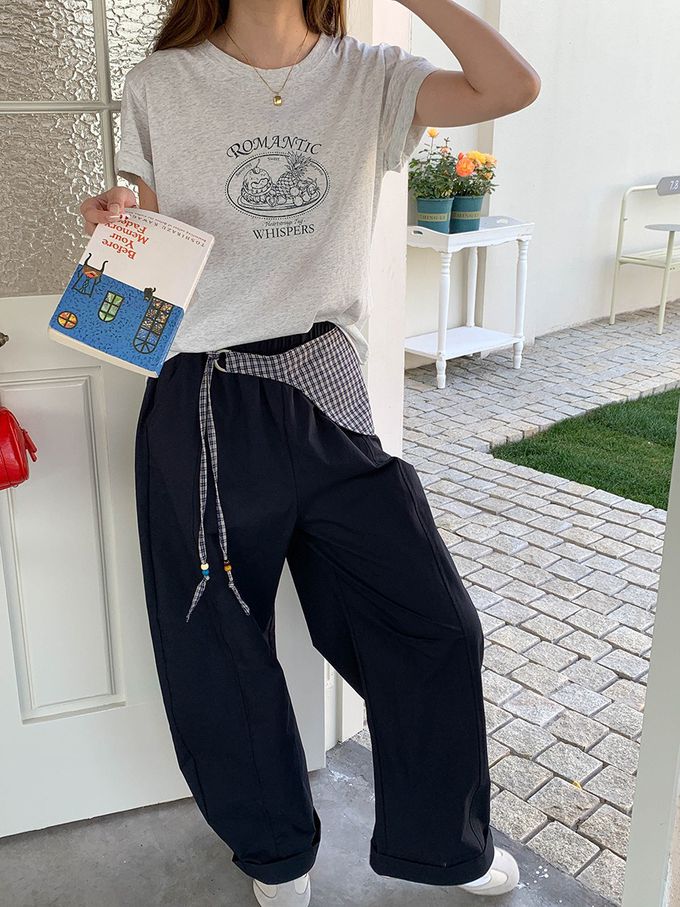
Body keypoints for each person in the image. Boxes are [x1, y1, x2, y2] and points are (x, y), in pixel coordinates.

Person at [80, 1, 540, 903]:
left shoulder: (371, 76)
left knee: (434, 625)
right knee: (218, 644)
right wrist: (117, 222)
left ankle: (446, 843)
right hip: (204, 389)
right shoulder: (161, 83)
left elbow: (510, 86)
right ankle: (275, 852)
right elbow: (151, 237)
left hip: (323, 375)